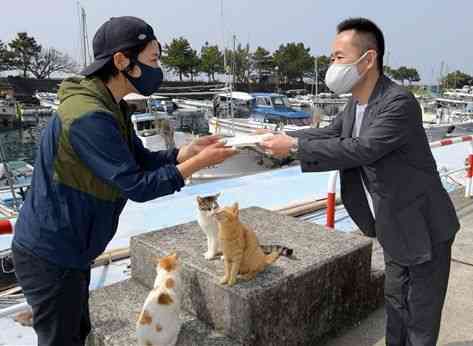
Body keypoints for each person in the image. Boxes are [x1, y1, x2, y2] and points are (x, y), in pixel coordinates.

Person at [11, 16, 236, 346]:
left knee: (78, 333)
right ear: (121, 61)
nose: (159, 68)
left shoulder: (110, 105)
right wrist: (196, 166)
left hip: (71, 249)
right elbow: (137, 185)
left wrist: (184, 153)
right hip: (50, 253)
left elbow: (139, 159)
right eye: (153, 59)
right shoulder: (89, 116)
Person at [261, 18, 459, 346]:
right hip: (393, 225)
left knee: (419, 317)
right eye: (332, 58)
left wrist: (294, 147)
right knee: (396, 306)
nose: (332, 65)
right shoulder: (357, 103)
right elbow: (332, 134)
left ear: (368, 59)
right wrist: (281, 138)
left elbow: (363, 148)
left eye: (339, 57)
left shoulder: (399, 102)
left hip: (425, 228)